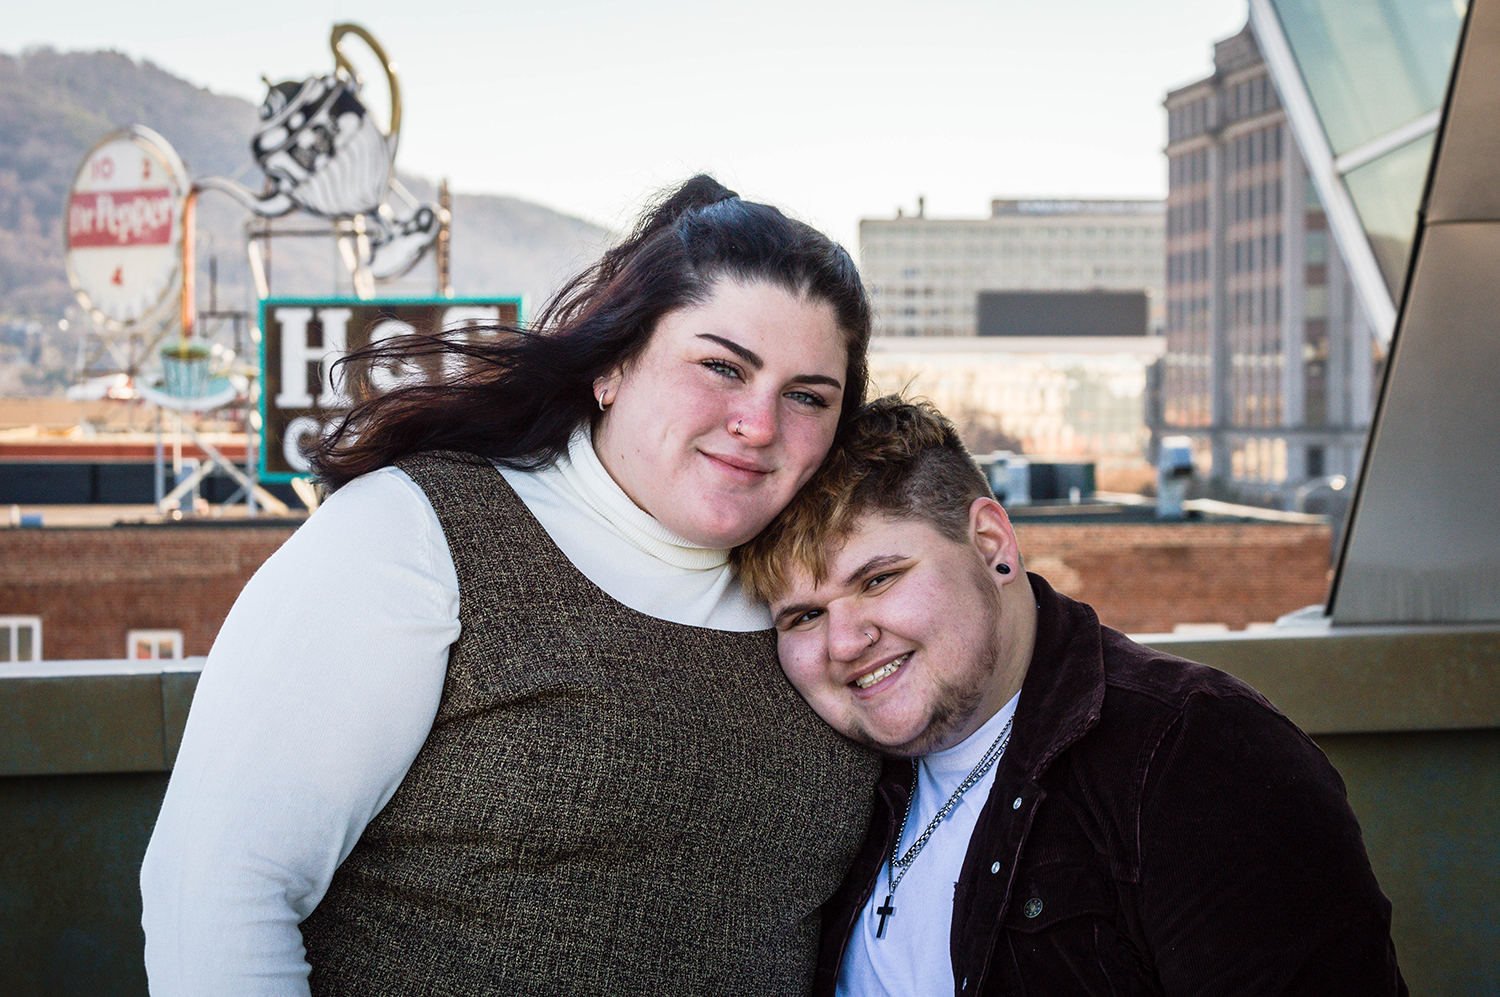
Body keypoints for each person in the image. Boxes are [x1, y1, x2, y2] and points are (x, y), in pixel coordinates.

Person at [140, 175, 882, 997]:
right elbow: (214, 896)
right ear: (613, 363)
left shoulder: (832, 601)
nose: (759, 424)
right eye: (720, 366)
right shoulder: (418, 535)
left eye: (807, 396)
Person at [735, 395, 1408, 996]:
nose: (845, 641)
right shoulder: (826, 782)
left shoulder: (1194, 751)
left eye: (879, 579)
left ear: (992, 544)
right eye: (803, 616)